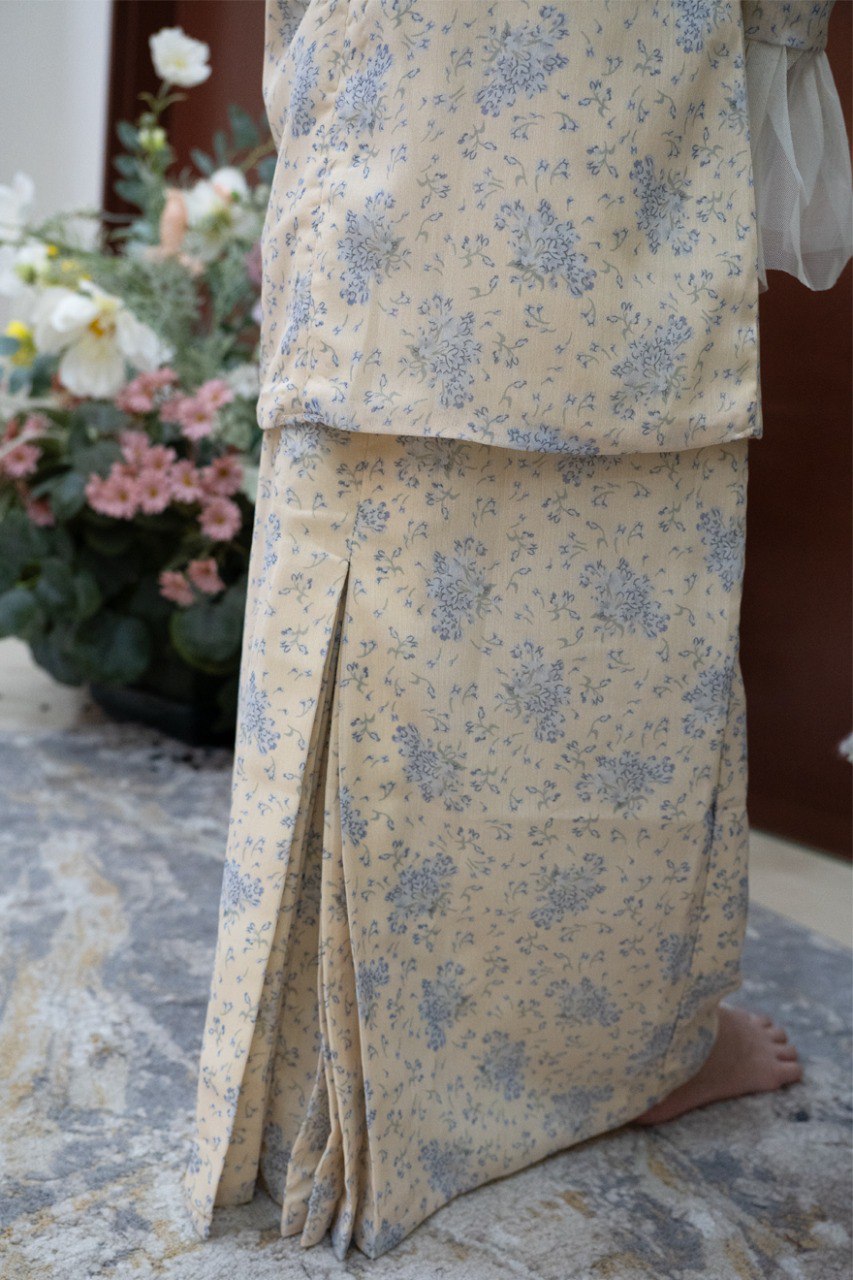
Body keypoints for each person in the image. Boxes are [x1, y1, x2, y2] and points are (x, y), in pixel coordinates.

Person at [182, 0, 852, 1260]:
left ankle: (536, 1059)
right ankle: (620, 1046)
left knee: (470, 605)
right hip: (606, 146)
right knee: (606, 631)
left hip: (401, 145)